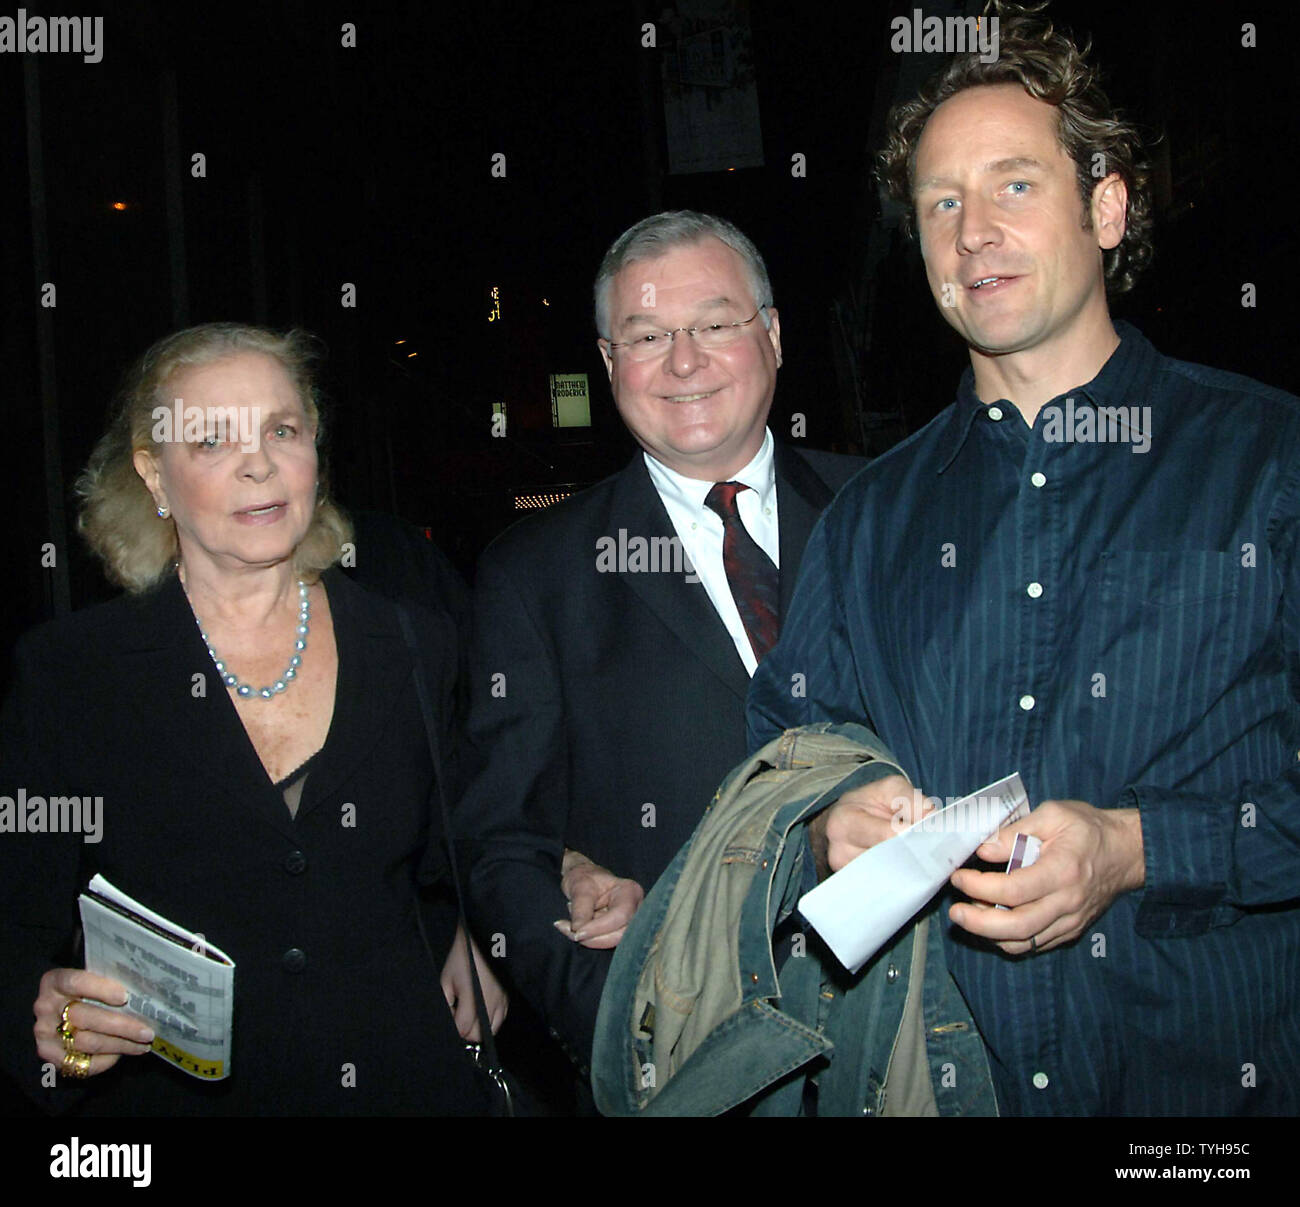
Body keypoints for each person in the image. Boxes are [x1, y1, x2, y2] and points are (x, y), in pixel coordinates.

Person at [749, 7, 1300, 1115]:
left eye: (1012, 185)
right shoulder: (869, 519)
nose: (971, 232)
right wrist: (827, 816)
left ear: (1105, 207)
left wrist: (1140, 848)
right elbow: (784, 741)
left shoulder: (1268, 459)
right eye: (939, 202)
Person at [0, 322, 505, 1115]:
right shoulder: (73, 675)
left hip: (403, 1082)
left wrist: (475, 936)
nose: (260, 462)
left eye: (282, 429)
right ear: (155, 476)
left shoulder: (411, 642)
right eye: (210, 440)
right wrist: (55, 1030)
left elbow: (458, 850)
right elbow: (17, 928)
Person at [461, 211, 863, 1078]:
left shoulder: (885, 509)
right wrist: (625, 1028)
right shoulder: (535, 574)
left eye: (716, 323)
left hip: (911, 1035)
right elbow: (501, 845)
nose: (685, 361)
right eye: (647, 335)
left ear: (775, 335)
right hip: (686, 1057)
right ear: (610, 364)